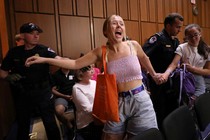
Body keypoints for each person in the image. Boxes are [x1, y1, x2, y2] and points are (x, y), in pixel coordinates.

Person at [25, 15, 160, 140]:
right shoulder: (101, 52)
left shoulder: (133, 45)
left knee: (142, 137)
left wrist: (154, 74)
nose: (119, 26)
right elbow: (75, 63)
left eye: (122, 24)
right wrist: (45, 60)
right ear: (106, 31)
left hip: (140, 99)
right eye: (114, 23)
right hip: (117, 102)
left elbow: (144, 58)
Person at [0, 22, 61, 140]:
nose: (36, 36)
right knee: (23, 124)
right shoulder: (14, 52)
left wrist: (72, 62)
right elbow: (3, 73)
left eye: (37, 34)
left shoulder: (44, 50)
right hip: (23, 93)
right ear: (22, 36)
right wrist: (8, 77)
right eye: (32, 33)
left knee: (50, 123)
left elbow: (59, 59)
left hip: (43, 91)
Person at [142, 12, 184, 130]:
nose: (179, 30)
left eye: (180, 27)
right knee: (160, 111)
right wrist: (150, 73)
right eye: (177, 26)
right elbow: (142, 55)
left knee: (172, 110)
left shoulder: (175, 41)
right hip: (158, 83)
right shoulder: (158, 39)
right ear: (168, 25)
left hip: (171, 82)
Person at [161, 23, 210, 101]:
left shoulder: (207, 49)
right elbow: (173, 64)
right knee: (185, 96)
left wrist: (193, 69)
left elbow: (208, 71)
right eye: (190, 36)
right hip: (185, 77)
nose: (193, 38)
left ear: (200, 34)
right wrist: (165, 74)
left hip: (199, 76)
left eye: (196, 35)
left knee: (200, 93)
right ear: (186, 37)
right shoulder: (182, 47)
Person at [72, 65, 103, 140]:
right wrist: (101, 103)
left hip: (98, 117)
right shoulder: (77, 88)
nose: (93, 71)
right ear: (81, 73)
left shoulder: (94, 83)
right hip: (87, 123)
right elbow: (88, 109)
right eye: (89, 70)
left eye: (92, 69)